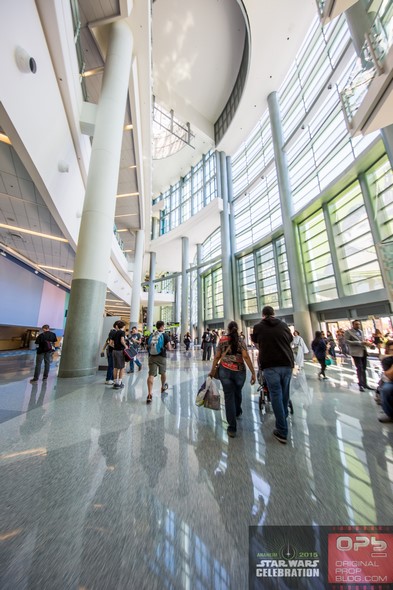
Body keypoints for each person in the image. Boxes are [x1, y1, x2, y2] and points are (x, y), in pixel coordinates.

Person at [251, 306, 294, 444]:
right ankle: (283, 417)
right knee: (285, 393)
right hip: (287, 363)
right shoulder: (283, 325)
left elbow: (255, 342)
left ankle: (282, 429)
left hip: (270, 365)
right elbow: (290, 340)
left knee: (275, 394)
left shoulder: (258, 327)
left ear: (263, 315)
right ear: (273, 314)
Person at [209, 321, 256, 438]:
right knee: (237, 391)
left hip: (225, 370)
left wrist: (212, 370)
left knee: (229, 396)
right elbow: (245, 356)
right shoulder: (240, 340)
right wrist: (253, 372)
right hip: (239, 371)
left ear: (228, 329)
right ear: (237, 328)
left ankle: (232, 427)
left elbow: (217, 356)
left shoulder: (223, 339)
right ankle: (238, 410)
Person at [344, 320, 374, 392]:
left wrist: (367, 344)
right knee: (359, 368)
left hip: (363, 351)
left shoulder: (361, 331)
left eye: (359, 324)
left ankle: (365, 383)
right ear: (353, 325)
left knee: (364, 368)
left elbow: (363, 340)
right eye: (356, 324)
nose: (358, 326)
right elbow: (347, 341)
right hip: (356, 352)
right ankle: (360, 384)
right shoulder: (348, 332)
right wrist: (359, 342)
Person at [146, 320, 172, 404]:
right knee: (163, 373)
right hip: (161, 357)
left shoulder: (151, 334)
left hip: (152, 357)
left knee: (151, 375)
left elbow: (147, 346)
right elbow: (169, 348)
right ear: (162, 326)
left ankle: (149, 394)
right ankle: (163, 387)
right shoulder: (165, 335)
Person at [378, 340, 393, 423]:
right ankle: (390, 414)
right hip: (391, 381)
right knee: (386, 389)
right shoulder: (387, 360)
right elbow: (390, 376)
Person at [110, 320, 127, 390]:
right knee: (122, 367)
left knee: (115, 367)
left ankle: (115, 382)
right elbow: (122, 340)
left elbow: (110, 343)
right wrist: (125, 346)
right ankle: (119, 383)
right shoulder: (122, 332)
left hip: (114, 351)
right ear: (123, 326)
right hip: (120, 351)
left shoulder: (114, 332)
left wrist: (115, 346)